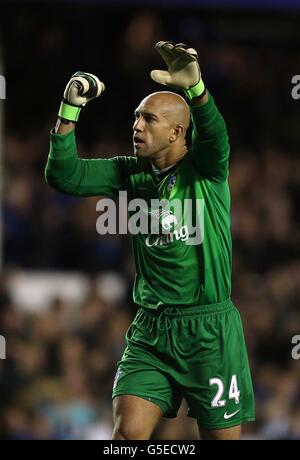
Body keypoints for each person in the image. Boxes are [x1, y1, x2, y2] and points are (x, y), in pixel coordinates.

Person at [45, 41, 255, 440]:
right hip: (151, 332)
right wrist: (68, 111)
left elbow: (215, 135)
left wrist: (197, 91)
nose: (137, 126)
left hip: (209, 332)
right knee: (126, 438)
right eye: (136, 118)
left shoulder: (206, 169)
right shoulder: (129, 172)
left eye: (149, 119)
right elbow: (64, 175)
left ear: (177, 131)